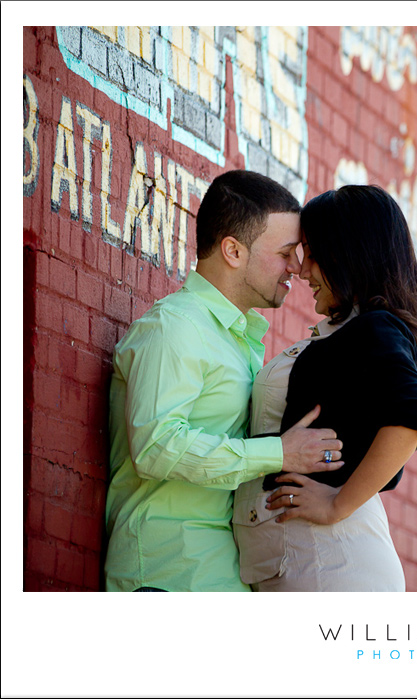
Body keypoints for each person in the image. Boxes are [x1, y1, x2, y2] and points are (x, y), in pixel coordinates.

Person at [104, 170, 344, 592]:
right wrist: (278, 453)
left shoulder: (236, 339)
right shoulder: (176, 328)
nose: (297, 268)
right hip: (167, 574)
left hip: (219, 573)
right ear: (233, 250)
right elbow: (156, 446)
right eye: (286, 252)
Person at [232, 184, 417, 591]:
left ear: (349, 252)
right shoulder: (344, 332)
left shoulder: (374, 328)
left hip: (330, 568)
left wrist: (336, 504)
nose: (302, 269)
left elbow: (412, 415)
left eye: (312, 253)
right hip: (305, 564)